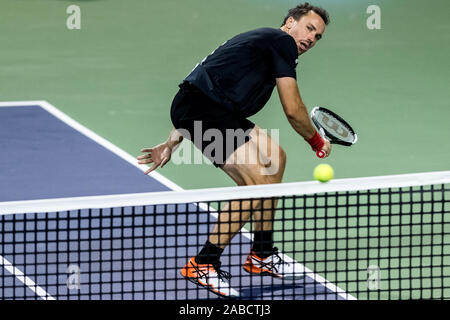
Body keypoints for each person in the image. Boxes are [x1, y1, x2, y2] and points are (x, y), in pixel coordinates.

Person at [137, 3, 332, 298]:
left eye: (317, 37)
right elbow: (293, 109)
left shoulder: (266, 42)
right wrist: (316, 141)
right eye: (308, 28)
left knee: (274, 159)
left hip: (211, 109)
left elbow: (205, 78)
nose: (311, 39)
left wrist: (172, 141)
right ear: (290, 22)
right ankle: (203, 263)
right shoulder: (281, 42)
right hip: (204, 110)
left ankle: (261, 254)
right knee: (254, 184)